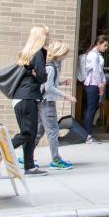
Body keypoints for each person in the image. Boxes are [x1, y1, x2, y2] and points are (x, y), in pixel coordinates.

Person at [0, 25, 49, 177]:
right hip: (27, 98)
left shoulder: (25, 53)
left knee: (30, 134)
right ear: (41, 37)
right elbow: (42, 77)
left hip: (20, 98)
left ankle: (29, 167)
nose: (48, 37)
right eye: (46, 34)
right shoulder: (37, 53)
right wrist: (37, 73)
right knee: (27, 133)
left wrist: (34, 72)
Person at [36, 39, 76, 170]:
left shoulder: (51, 66)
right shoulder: (51, 67)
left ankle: (26, 156)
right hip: (48, 103)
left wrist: (62, 83)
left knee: (39, 131)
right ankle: (56, 160)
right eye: (65, 53)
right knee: (53, 131)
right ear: (59, 53)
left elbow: (49, 84)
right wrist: (66, 95)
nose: (66, 56)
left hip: (43, 102)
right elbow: (49, 87)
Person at [81, 35, 109, 144]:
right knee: (91, 109)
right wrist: (100, 85)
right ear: (98, 44)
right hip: (92, 84)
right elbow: (96, 72)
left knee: (91, 109)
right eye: (105, 45)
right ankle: (88, 136)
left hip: (93, 84)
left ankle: (88, 134)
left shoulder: (96, 54)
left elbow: (99, 71)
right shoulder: (94, 55)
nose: (106, 48)